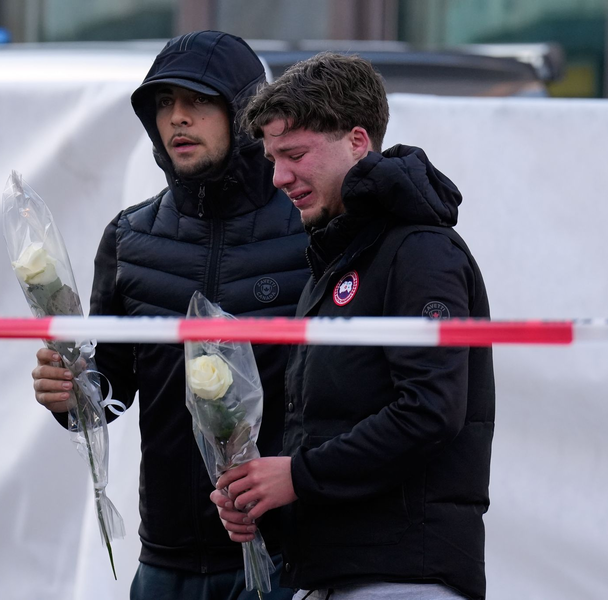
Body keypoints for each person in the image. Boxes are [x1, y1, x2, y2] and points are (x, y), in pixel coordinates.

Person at [31, 31, 311, 600]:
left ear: (244, 110)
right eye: (164, 104)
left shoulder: (309, 232)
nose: (178, 118)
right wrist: (69, 393)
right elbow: (110, 391)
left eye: (199, 101)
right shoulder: (129, 238)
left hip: (287, 555)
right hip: (165, 561)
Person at [212, 53, 495, 600]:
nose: (278, 178)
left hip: (404, 577)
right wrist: (262, 492)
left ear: (358, 141)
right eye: (271, 159)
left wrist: (295, 477)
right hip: (333, 574)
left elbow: (431, 409)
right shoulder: (339, 259)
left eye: (294, 154)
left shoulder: (420, 250)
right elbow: (329, 423)